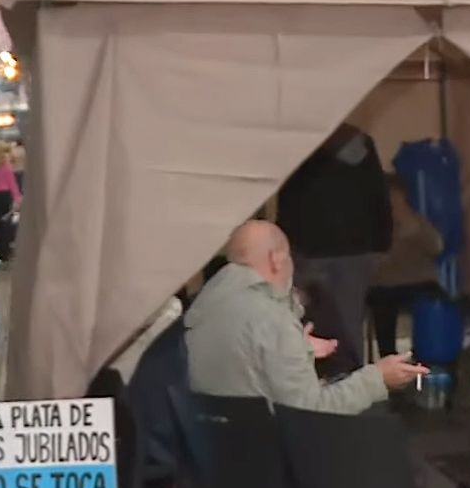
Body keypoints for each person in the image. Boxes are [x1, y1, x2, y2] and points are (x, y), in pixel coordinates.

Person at [185, 220, 428, 414]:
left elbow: (250, 368)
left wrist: (298, 347)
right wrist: (377, 378)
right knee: (377, 419)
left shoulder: (206, 308)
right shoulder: (271, 318)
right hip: (271, 457)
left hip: (221, 457)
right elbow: (310, 413)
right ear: (276, 260)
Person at [276, 123, 392, 370]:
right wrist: (382, 244)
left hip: (309, 249)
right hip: (353, 250)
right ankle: (349, 383)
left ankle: (317, 382)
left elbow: (288, 198)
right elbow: (379, 195)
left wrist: (283, 242)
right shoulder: (361, 142)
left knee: (304, 321)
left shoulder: (302, 143)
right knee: (349, 324)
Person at [367, 174, 445, 358]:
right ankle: (389, 360)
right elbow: (373, 262)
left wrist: (412, 227)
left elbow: (437, 247)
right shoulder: (374, 226)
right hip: (385, 285)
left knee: (435, 304)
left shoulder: (416, 220)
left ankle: (429, 355)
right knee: (382, 306)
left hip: (420, 281)